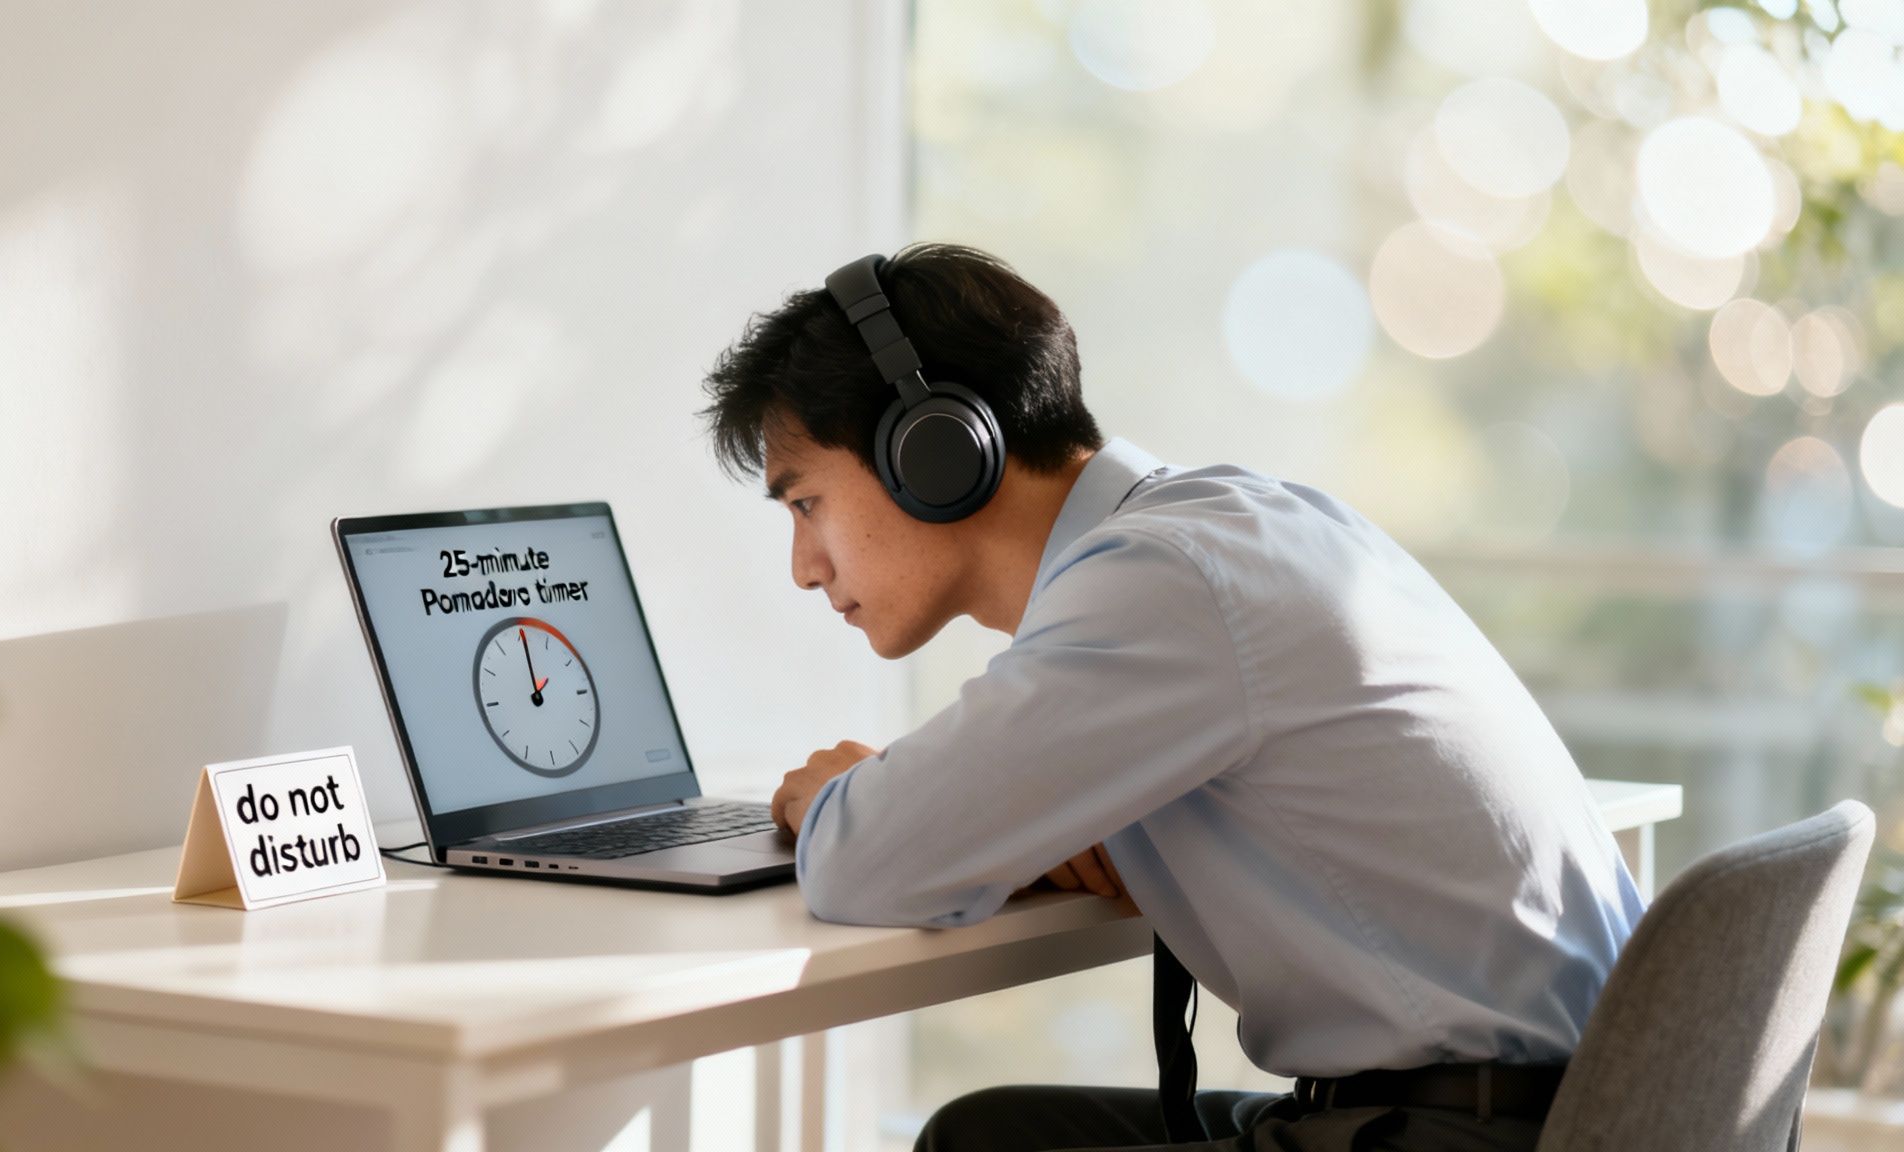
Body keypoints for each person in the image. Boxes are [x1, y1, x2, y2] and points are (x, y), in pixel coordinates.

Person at [698, 242, 1644, 1151]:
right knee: (981, 1135)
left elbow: (867, 862)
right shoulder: (1239, 522)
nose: (803, 568)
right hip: (1560, 1107)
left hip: (1464, 1135)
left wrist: (830, 797)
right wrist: (1043, 823)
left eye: (805, 501)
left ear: (933, 450)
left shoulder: (1161, 581)